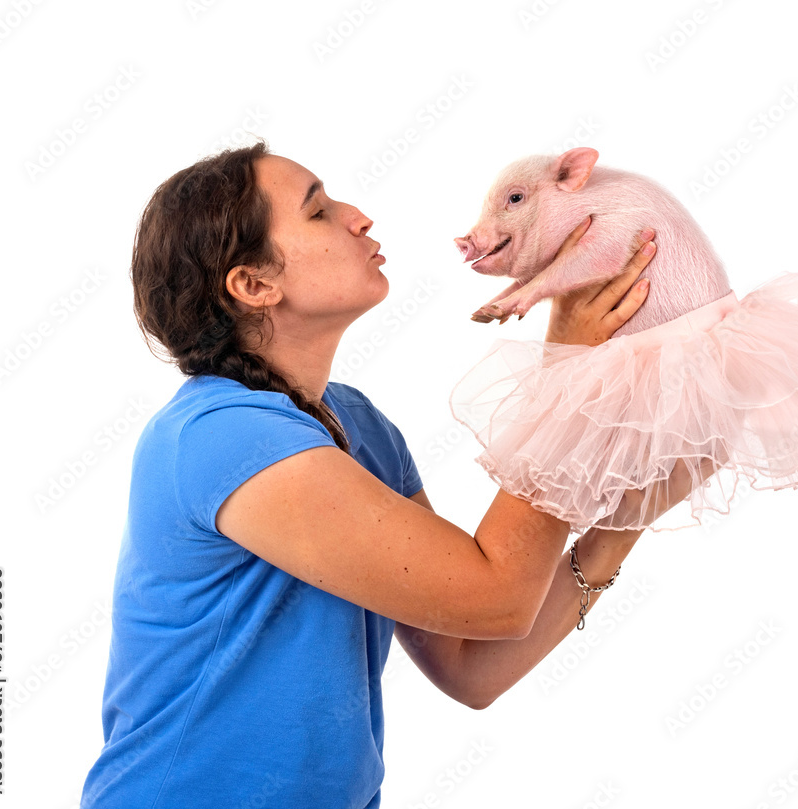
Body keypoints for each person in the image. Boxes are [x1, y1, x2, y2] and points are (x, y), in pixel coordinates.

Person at [79, 139, 715, 808]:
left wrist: (629, 520)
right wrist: (565, 373)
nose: (359, 216)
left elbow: (471, 663)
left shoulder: (360, 428)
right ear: (255, 283)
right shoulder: (220, 433)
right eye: (319, 211)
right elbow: (494, 593)